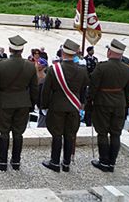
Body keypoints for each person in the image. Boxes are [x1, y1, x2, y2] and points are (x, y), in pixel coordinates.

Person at [0, 35, 38, 171]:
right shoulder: (30, 66)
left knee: (4, 132)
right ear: (22, 50)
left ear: (9, 48)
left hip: (5, 102)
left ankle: (2, 161)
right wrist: (32, 104)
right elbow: (34, 88)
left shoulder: (1, 64)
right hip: (23, 103)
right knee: (18, 133)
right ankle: (16, 162)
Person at [40, 39, 89, 173]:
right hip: (74, 107)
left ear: (62, 52)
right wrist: (81, 105)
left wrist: (44, 106)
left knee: (57, 134)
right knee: (70, 134)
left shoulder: (54, 69)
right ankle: (66, 163)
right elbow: (84, 89)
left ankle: (55, 162)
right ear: (75, 54)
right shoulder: (82, 70)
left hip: (57, 106)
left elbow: (46, 90)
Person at [87, 39, 129, 172]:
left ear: (110, 52)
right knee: (115, 133)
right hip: (119, 104)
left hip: (103, 103)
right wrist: (125, 104)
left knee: (102, 132)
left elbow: (93, 88)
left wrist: (89, 102)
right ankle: (112, 163)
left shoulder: (101, 67)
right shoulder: (128, 70)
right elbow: (128, 90)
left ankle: (103, 161)